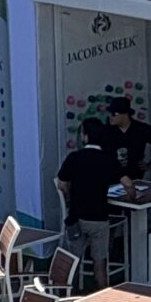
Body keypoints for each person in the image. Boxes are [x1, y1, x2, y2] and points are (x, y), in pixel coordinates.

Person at [54, 115, 123, 288]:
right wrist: (132, 194)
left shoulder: (74, 157)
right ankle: (103, 298)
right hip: (99, 218)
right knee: (100, 264)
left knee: (73, 262)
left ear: (85, 136)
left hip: (77, 217)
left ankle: (69, 295)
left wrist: (69, 197)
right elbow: (127, 182)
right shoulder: (108, 159)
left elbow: (62, 184)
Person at [89, 97, 151, 183]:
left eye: (114, 113)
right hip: (110, 179)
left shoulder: (141, 129)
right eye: (109, 113)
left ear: (125, 114)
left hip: (135, 178)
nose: (110, 116)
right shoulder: (106, 131)